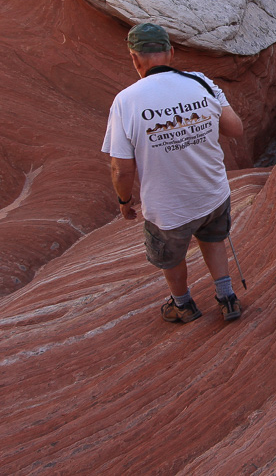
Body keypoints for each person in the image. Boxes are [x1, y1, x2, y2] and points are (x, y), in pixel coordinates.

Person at [102, 22, 245, 323]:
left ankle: (183, 305)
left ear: (134, 57)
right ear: (171, 52)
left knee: (172, 256)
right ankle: (227, 297)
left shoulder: (126, 101)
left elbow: (121, 167)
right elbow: (235, 129)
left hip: (168, 207)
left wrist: (124, 201)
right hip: (213, 193)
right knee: (213, 238)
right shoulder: (202, 83)